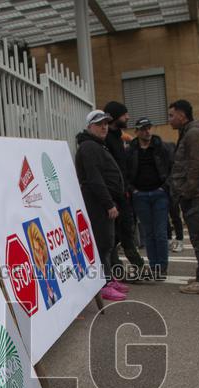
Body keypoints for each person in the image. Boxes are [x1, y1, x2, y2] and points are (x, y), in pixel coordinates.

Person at [74, 109, 130, 302]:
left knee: (107, 243)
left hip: (104, 202)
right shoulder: (89, 147)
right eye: (99, 124)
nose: (104, 127)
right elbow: (95, 178)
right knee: (102, 243)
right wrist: (108, 204)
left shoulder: (97, 145)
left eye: (106, 123)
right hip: (97, 204)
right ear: (89, 126)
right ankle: (103, 284)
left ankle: (108, 278)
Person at [168, 99, 199, 294]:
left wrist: (186, 191)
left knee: (197, 234)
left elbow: (195, 166)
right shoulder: (188, 132)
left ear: (182, 115)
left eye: (171, 115)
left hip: (193, 193)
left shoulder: (193, 133)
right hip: (192, 192)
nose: (169, 119)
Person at [102, 100, 146, 278]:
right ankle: (125, 268)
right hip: (114, 196)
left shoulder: (119, 137)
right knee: (116, 235)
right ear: (113, 117)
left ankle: (128, 268)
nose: (128, 117)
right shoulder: (107, 140)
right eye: (124, 114)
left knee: (124, 232)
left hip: (123, 193)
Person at [125, 117, 172, 280]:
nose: (147, 131)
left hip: (159, 194)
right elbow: (125, 173)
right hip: (140, 196)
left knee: (160, 232)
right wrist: (133, 190)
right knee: (149, 233)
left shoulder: (162, 147)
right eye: (143, 129)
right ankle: (154, 266)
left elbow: (172, 168)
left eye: (149, 128)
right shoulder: (131, 150)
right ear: (136, 131)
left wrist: (164, 187)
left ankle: (162, 266)